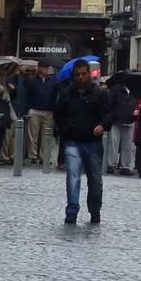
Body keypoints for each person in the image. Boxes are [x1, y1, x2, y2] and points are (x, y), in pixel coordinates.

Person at [52, 58, 110, 225]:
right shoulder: (66, 93)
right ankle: (72, 212)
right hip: (73, 140)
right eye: (77, 74)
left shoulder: (99, 93)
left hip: (93, 141)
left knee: (95, 180)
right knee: (73, 177)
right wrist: (65, 129)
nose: (80, 77)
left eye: (83, 74)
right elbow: (58, 114)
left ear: (88, 73)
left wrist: (102, 125)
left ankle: (95, 210)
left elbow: (108, 115)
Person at [25, 61, 59, 166]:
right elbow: (27, 95)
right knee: (33, 135)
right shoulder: (32, 81)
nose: (46, 69)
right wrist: (28, 109)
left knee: (46, 136)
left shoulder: (52, 81)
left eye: (47, 67)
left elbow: (55, 96)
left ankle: (44, 156)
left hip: (48, 111)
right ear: (39, 68)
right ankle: (33, 156)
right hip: (35, 110)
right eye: (44, 67)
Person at [106, 78, 135, 175]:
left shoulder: (135, 91)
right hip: (116, 120)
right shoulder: (116, 89)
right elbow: (109, 103)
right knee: (114, 144)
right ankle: (111, 165)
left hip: (130, 119)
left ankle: (125, 166)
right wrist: (112, 115)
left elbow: (137, 103)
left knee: (127, 145)